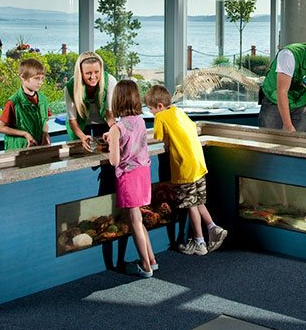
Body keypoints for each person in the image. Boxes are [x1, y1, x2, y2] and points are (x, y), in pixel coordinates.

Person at [146, 85, 228, 256]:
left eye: (151, 109)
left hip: (185, 169)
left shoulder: (160, 117)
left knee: (190, 205)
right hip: (198, 164)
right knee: (198, 202)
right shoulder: (178, 112)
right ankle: (213, 228)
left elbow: (158, 138)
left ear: (160, 106)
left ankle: (199, 242)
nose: (151, 112)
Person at [105, 80, 158, 278]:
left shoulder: (117, 128)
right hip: (143, 172)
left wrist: (112, 140)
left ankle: (145, 266)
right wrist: (112, 137)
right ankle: (151, 258)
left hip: (128, 177)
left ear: (117, 100)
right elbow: (135, 141)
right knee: (139, 218)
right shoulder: (141, 121)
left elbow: (114, 160)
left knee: (135, 221)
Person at [65, 51, 118, 151]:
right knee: (82, 154)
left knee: (107, 156)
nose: (93, 77)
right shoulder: (70, 87)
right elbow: (72, 120)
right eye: (88, 73)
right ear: (80, 73)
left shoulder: (110, 81)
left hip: (104, 121)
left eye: (97, 72)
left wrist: (113, 130)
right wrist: (82, 137)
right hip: (81, 124)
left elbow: (109, 113)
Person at [0, 57, 51, 150]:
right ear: (22, 77)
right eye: (36, 78)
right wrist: (25, 134)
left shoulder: (43, 100)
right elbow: (1, 128)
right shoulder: (14, 102)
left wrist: (45, 133)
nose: (40, 82)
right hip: (18, 148)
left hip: (38, 147)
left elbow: (45, 121)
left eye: (42, 78)